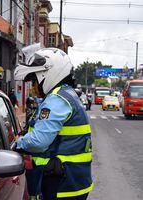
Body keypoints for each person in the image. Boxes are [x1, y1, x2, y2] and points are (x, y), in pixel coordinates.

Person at [14, 45, 93, 200]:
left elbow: (38, 142)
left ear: (47, 74)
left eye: (34, 81)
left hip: (61, 183)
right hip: (72, 180)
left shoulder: (56, 100)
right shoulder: (67, 94)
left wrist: (19, 143)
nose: (33, 88)